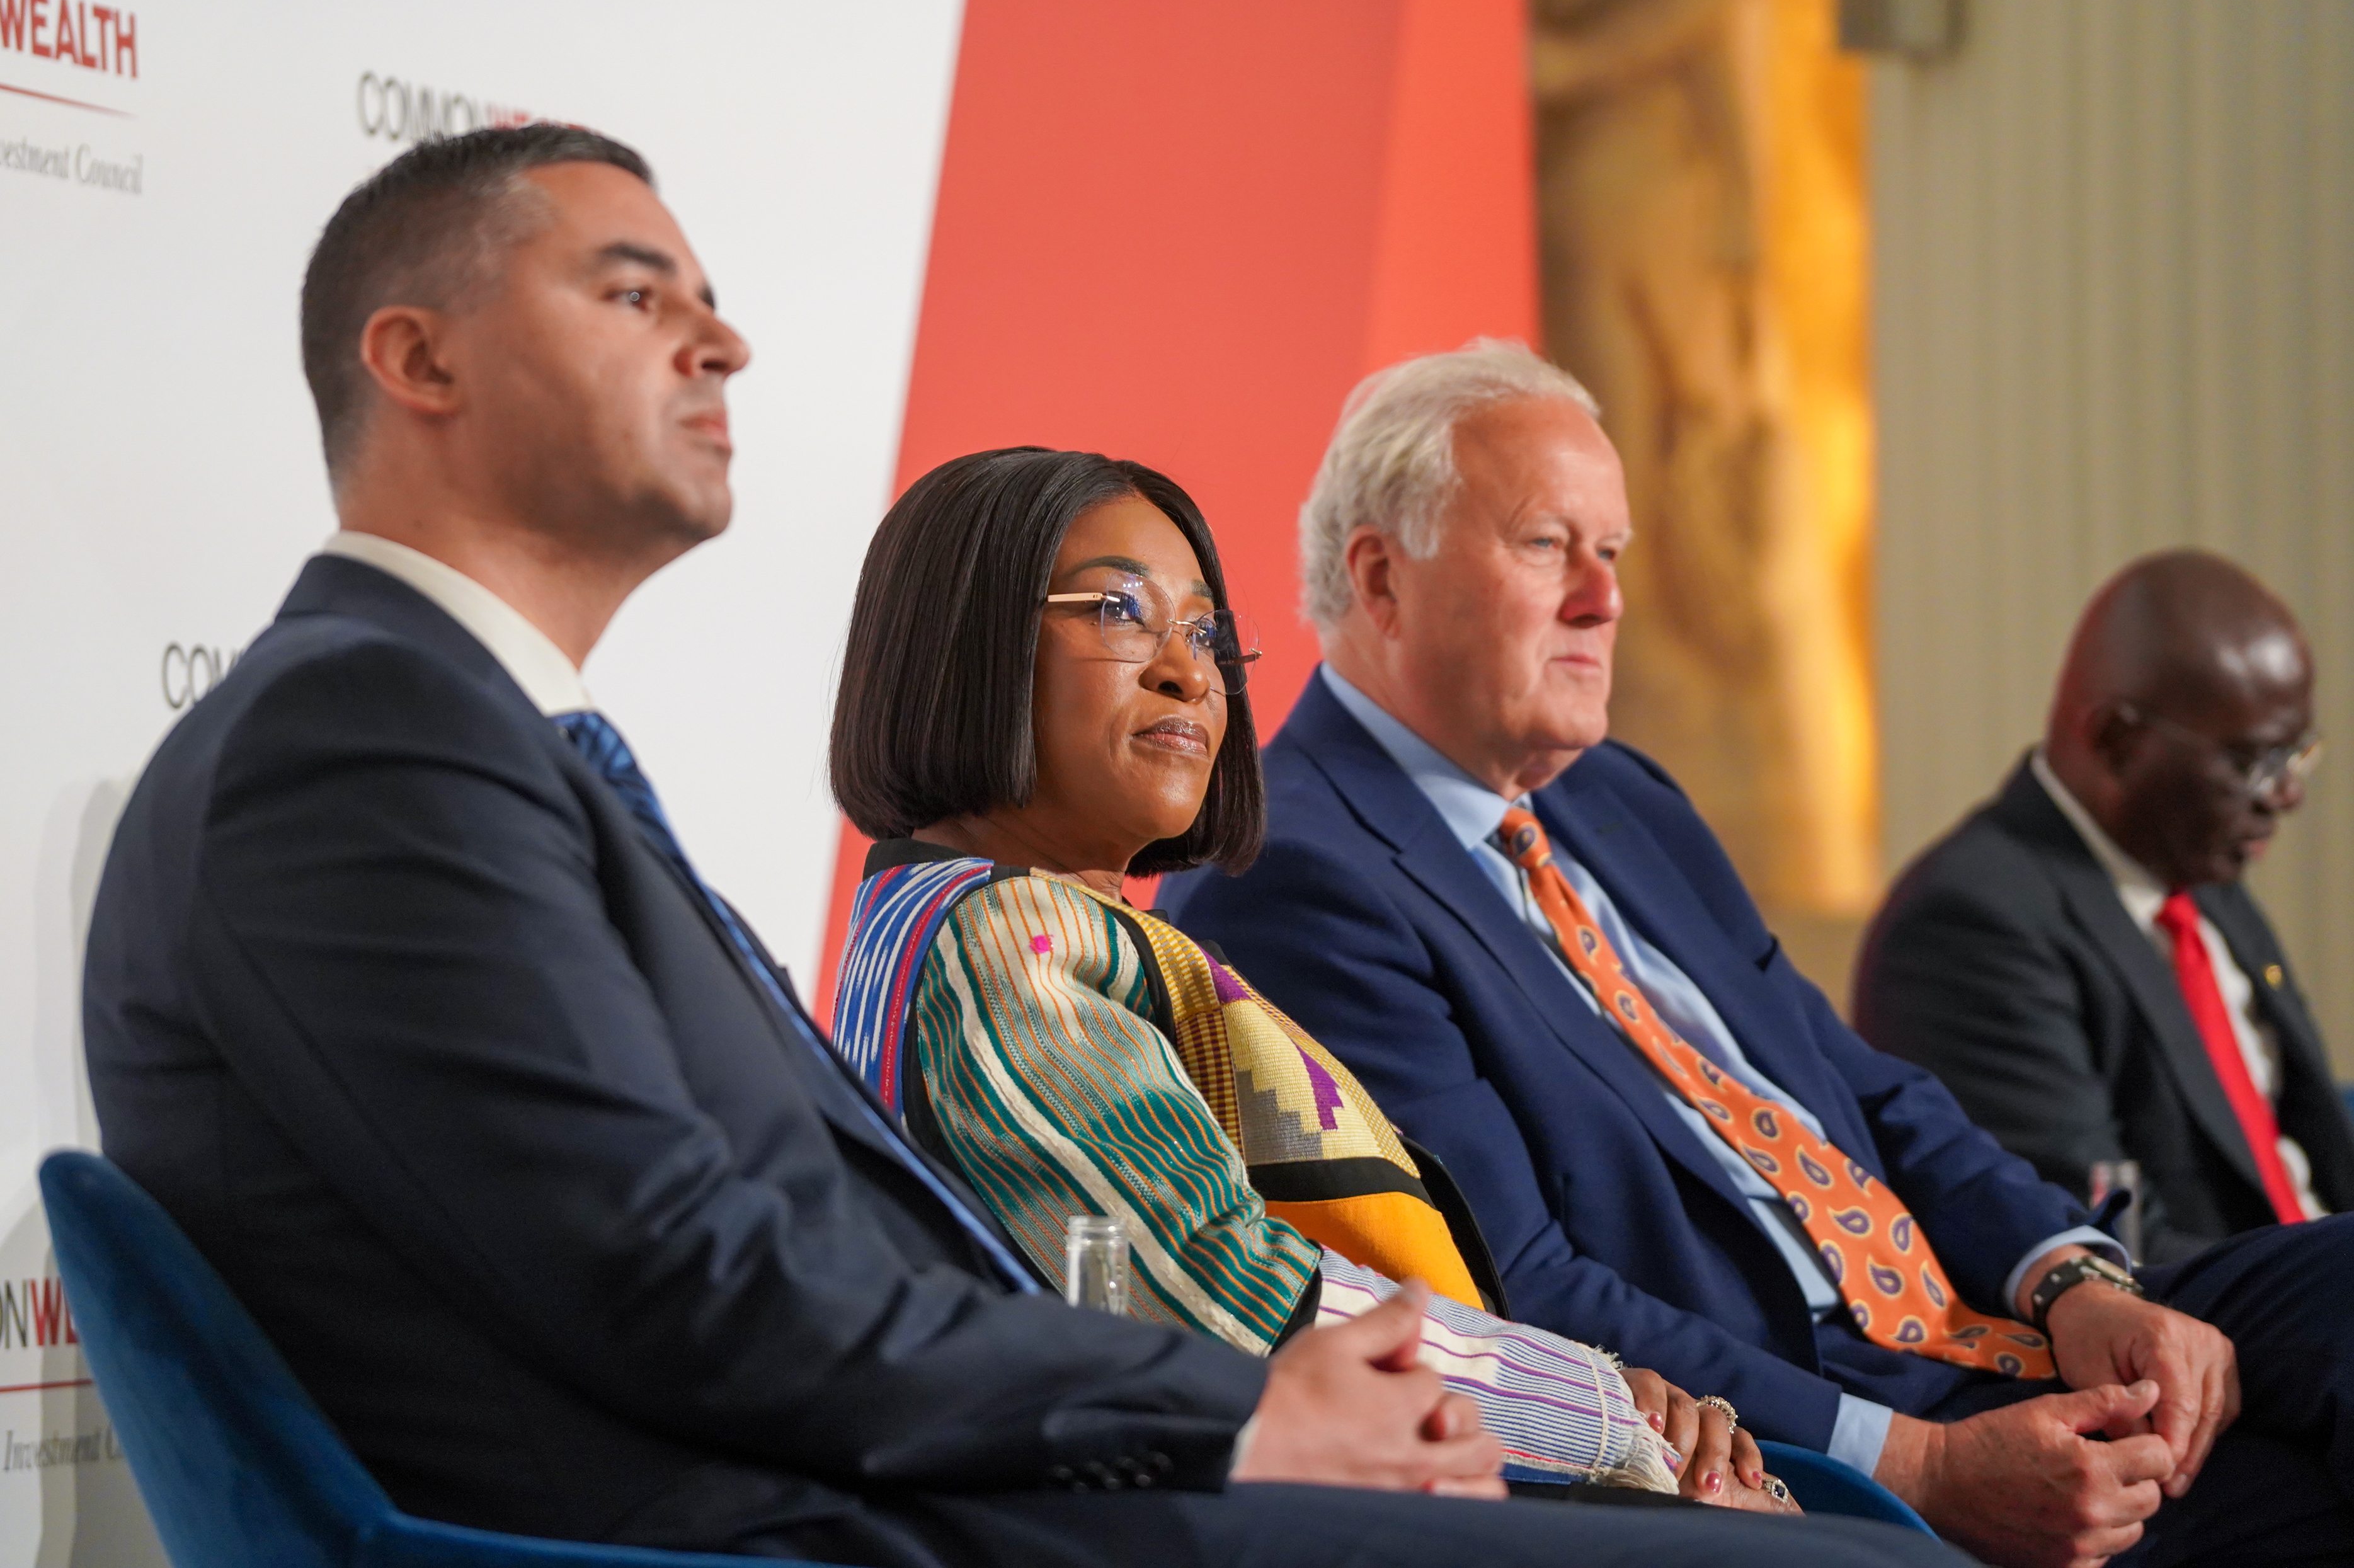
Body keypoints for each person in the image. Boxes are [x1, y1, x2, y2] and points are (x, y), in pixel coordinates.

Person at [77, 129, 1951, 1568]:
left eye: (1206, 628)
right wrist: (1247, 1414)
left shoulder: (469, 742)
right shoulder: (361, 739)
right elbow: (680, 1280)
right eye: (636, 296)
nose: (724, 339)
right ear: (417, 359)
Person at [1164, 339, 2354, 1566]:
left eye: (1611, 550)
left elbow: (1865, 1090)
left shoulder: (1617, 794)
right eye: (1546, 545)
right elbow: (1518, 1292)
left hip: (1989, 1320)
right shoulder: (1288, 869)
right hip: (1804, 1423)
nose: (1603, 598)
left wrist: (2072, 1280)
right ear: (1380, 578)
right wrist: (1925, 1467)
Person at [822, 444, 1796, 1510]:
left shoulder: (1024, 923)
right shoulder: (1001, 941)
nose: (1189, 673)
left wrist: (1619, 1407)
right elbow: (1231, 1297)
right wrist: (1617, 1425)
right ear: (964, 644)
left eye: (1205, 632)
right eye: (1119, 611)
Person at [1855, 552, 2354, 1264]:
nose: (2287, 796)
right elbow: (2098, 1243)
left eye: (2296, 754)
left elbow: (2307, 1139)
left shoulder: (2198, 866)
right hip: (2230, 1318)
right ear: (2118, 742)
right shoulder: (1968, 924)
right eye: (2254, 763)